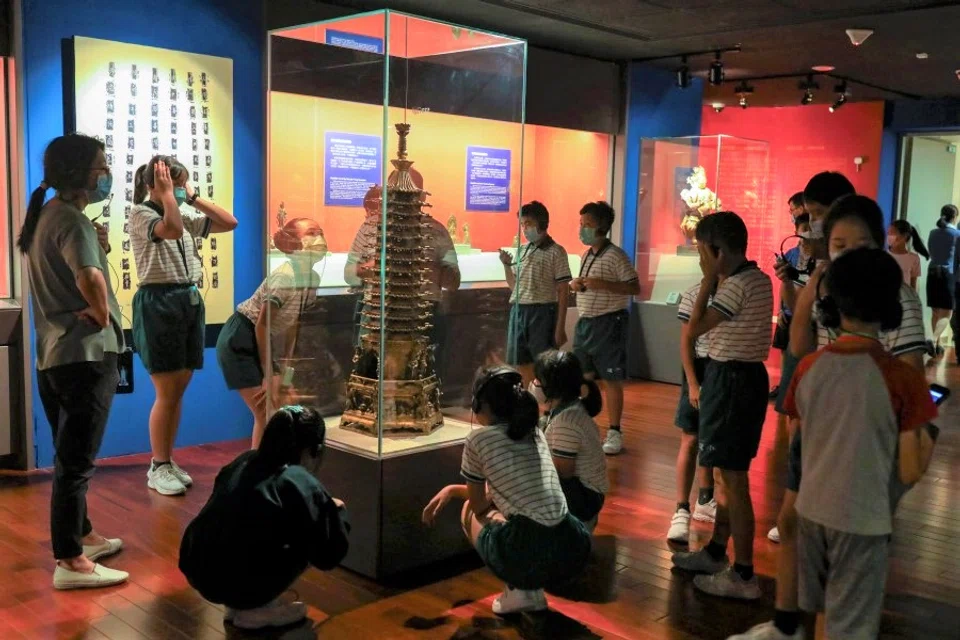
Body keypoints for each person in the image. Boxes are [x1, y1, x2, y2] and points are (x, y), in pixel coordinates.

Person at [730, 193, 930, 640]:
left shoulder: (817, 365)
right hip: (851, 488)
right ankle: (789, 624)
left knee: (828, 592)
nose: (844, 251)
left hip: (838, 473)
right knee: (845, 606)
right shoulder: (887, 366)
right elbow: (912, 462)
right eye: (836, 241)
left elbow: (800, 406)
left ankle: (792, 626)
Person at [782, 248, 937, 639]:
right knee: (849, 623)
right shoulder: (902, 378)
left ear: (831, 305)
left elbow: (795, 436)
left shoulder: (808, 367)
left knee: (820, 612)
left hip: (811, 510)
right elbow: (910, 468)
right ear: (892, 309)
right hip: (863, 521)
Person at [18, 134, 128, 589]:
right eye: (101, 166)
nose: (105, 173)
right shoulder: (72, 221)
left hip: (54, 356)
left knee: (70, 454)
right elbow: (88, 277)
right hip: (85, 355)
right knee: (76, 462)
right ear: (80, 174)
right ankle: (69, 560)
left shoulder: (48, 216)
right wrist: (102, 313)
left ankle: (83, 536)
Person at [422, 366, 591, 615]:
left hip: (527, 545)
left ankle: (520, 589)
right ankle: (530, 587)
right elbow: (501, 491)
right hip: (573, 544)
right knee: (510, 510)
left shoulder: (478, 440)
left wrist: (456, 494)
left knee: (470, 510)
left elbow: (480, 504)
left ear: (480, 404)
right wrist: (452, 490)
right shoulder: (535, 433)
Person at [671, 211, 773, 601]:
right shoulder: (759, 279)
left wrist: (709, 278)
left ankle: (744, 574)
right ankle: (717, 551)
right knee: (732, 475)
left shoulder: (732, 286)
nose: (699, 260)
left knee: (733, 481)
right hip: (738, 379)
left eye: (702, 253)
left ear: (717, 251)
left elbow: (694, 327)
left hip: (730, 381)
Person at [179, 406, 349, 630]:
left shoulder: (244, 460)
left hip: (198, 568)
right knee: (330, 514)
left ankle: (236, 604)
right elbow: (328, 555)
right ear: (312, 450)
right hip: (244, 579)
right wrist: (333, 512)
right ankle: (257, 608)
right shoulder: (298, 479)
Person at [130, 155, 238, 496]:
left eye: (180, 185)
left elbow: (229, 222)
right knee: (167, 390)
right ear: (153, 185)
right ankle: (158, 465)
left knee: (179, 388)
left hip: (187, 299)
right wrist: (164, 197)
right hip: (158, 301)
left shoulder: (182, 210)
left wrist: (192, 197)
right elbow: (172, 229)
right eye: (171, 184)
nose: (176, 191)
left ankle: (166, 458)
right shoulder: (142, 213)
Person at [217, 218, 327, 448]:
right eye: (311, 233)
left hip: (262, 340)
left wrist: (286, 369)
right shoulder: (284, 275)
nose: (318, 238)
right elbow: (262, 325)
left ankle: (262, 468)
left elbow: (293, 323)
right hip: (242, 338)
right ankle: (260, 472)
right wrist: (269, 376)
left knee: (279, 408)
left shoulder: (312, 279)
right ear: (293, 243)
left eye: (320, 232)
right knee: (268, 411)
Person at [569, 201, 640, 455]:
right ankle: (584, 424)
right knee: (582, 376)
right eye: (581, 224)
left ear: (602, 226)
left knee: (611, 379)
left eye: (587, 225)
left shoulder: (616, 255)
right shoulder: (586, 255)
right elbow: (588, 284)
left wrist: (603, 284)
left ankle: (614, 430)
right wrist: (576, 285)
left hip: (610, 323)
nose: (582, 230)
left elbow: (634, 287)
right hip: (586, 322)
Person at [531, 350, 608, 530]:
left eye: (537, 380)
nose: (534, 384)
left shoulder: (566, 422)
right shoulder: (571, 408)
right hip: (586, 494)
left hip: (584, 499)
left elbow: (564, 473)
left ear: (550, 387)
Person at [667, 278, 716, 544]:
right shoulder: (694, 292)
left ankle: (706, 498)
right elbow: (686, 342)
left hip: (722, 368)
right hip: (699, 368)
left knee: (712, 440)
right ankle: (681, 508)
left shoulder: (734, 289)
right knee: (690, 437)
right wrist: (693, 383)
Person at [501, 201, 572, 384]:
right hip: (519, 310)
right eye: (522, 224)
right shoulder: (522, 250)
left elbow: (563, 290)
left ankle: (548, 405)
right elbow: (514, 286)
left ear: (542, 223)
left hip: (542, 312)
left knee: (544, 365)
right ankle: (526, 402)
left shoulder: (556, 252)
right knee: (520, 361)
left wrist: (560, 326)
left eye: (529, 224)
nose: (525, 229)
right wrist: (507, 266)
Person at [769, 213, 812, 400]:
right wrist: (781, 311)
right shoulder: (792, 255)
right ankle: (786, 389)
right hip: (790, 314)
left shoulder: (818, 261)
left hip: (809, 319)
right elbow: (785, 287)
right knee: (787, 353)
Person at [926, 204, 960, 358]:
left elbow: (931, 252)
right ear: (955, 217)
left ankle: (937, 345)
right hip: (948, 275)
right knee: (947, 313)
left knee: (936, 311)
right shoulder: (957, 234)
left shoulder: (933, 232)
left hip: (932, 273)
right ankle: (933, 340)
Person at [887, 220, 928, 290]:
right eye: (888, 233)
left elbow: (913, 286)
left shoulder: (914, 259)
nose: (889, 236)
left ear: (904, 236)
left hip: (904, 300)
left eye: (893, 233)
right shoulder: (882, 256)